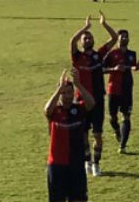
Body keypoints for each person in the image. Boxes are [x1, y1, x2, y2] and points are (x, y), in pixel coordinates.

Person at [70, 12, 118, 177]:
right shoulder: (77, 57)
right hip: (81, 101)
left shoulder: (99, 55)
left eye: (90, 38)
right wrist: (85, 28)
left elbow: (114, 38)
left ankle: (96, 163)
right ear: (81, 42)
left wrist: (104, 24)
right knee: (83, 135)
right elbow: (72, 41)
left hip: (98, 100)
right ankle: (87, 161)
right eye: (85, 38)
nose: (88, 40)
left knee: (97, 135)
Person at [45, 68, 95, 202]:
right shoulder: (54, 111)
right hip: (57, 164)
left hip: (76, 163)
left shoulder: (78, 109)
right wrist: (58, 89)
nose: (67, 96)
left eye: (69, 92)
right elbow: (47, 109)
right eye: (64, 93)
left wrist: (78, 84)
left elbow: (91, 103)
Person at [103, 29, 139, 153]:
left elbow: (132, 67)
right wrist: (113, 69)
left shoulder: (132, 54)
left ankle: (122, 145)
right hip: (113, 89)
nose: (125, 39)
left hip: (127, 89)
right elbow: (101, 69)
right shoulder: (111, 54)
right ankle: (117, 130)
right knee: (112, 117)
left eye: (126, 37)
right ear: (118, 39)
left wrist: (137, 67)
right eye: (122, 37)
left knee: (126, 116)